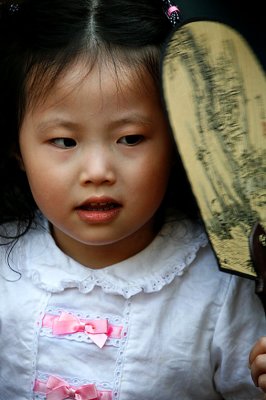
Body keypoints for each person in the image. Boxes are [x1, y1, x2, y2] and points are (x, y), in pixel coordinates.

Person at [0, 0, 265, 399]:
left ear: (177, 141)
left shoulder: (223, 289)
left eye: (130, 138)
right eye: (64, 141)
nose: (97, 171)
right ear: (17, 150)